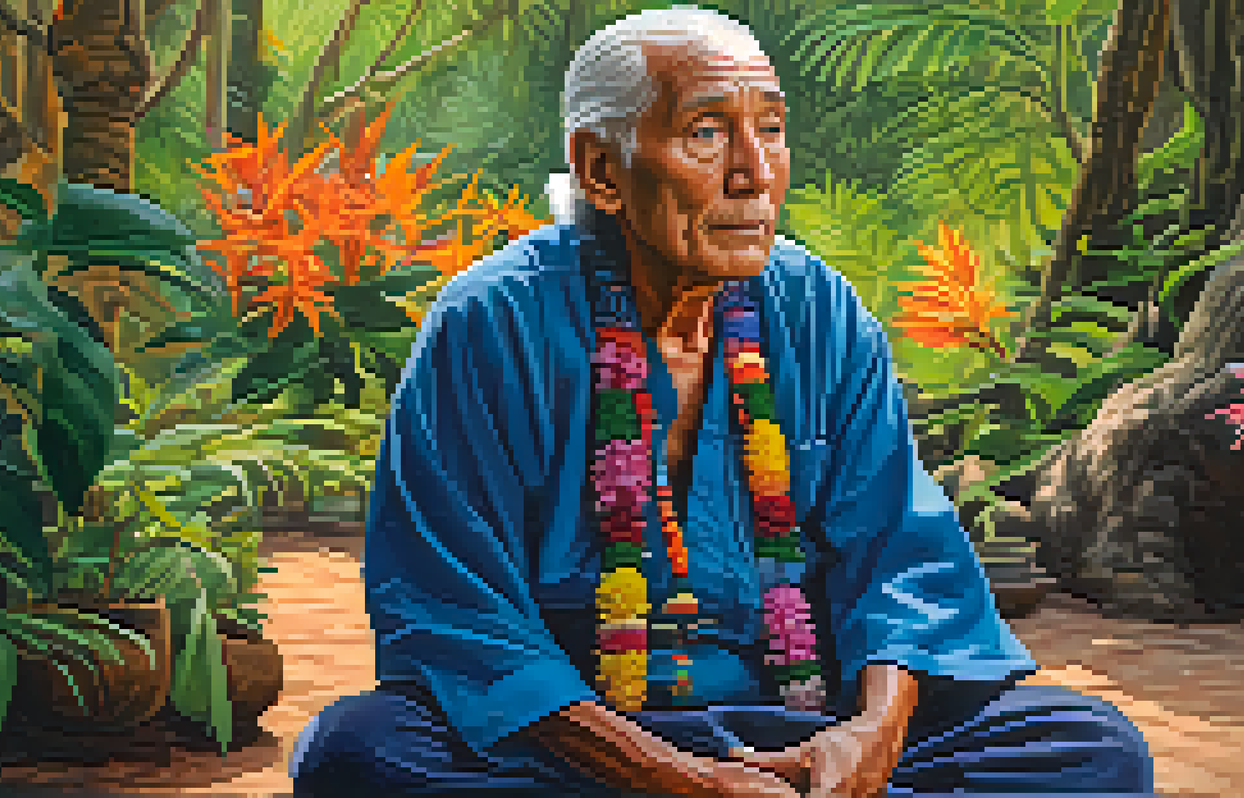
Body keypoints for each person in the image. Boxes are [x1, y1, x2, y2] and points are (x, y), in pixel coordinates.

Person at [288, 6, 1153, 797]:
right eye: (708, 132)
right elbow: (456, 611)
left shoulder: (817, 309)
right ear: (602, 170)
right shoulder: (492, 322)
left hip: (804, 719)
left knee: (1093, 747)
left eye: (770, 131)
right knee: (354, 752)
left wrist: (872, 736)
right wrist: (680, 784)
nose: (754, 173)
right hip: (574, 743)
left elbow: (900, 561)